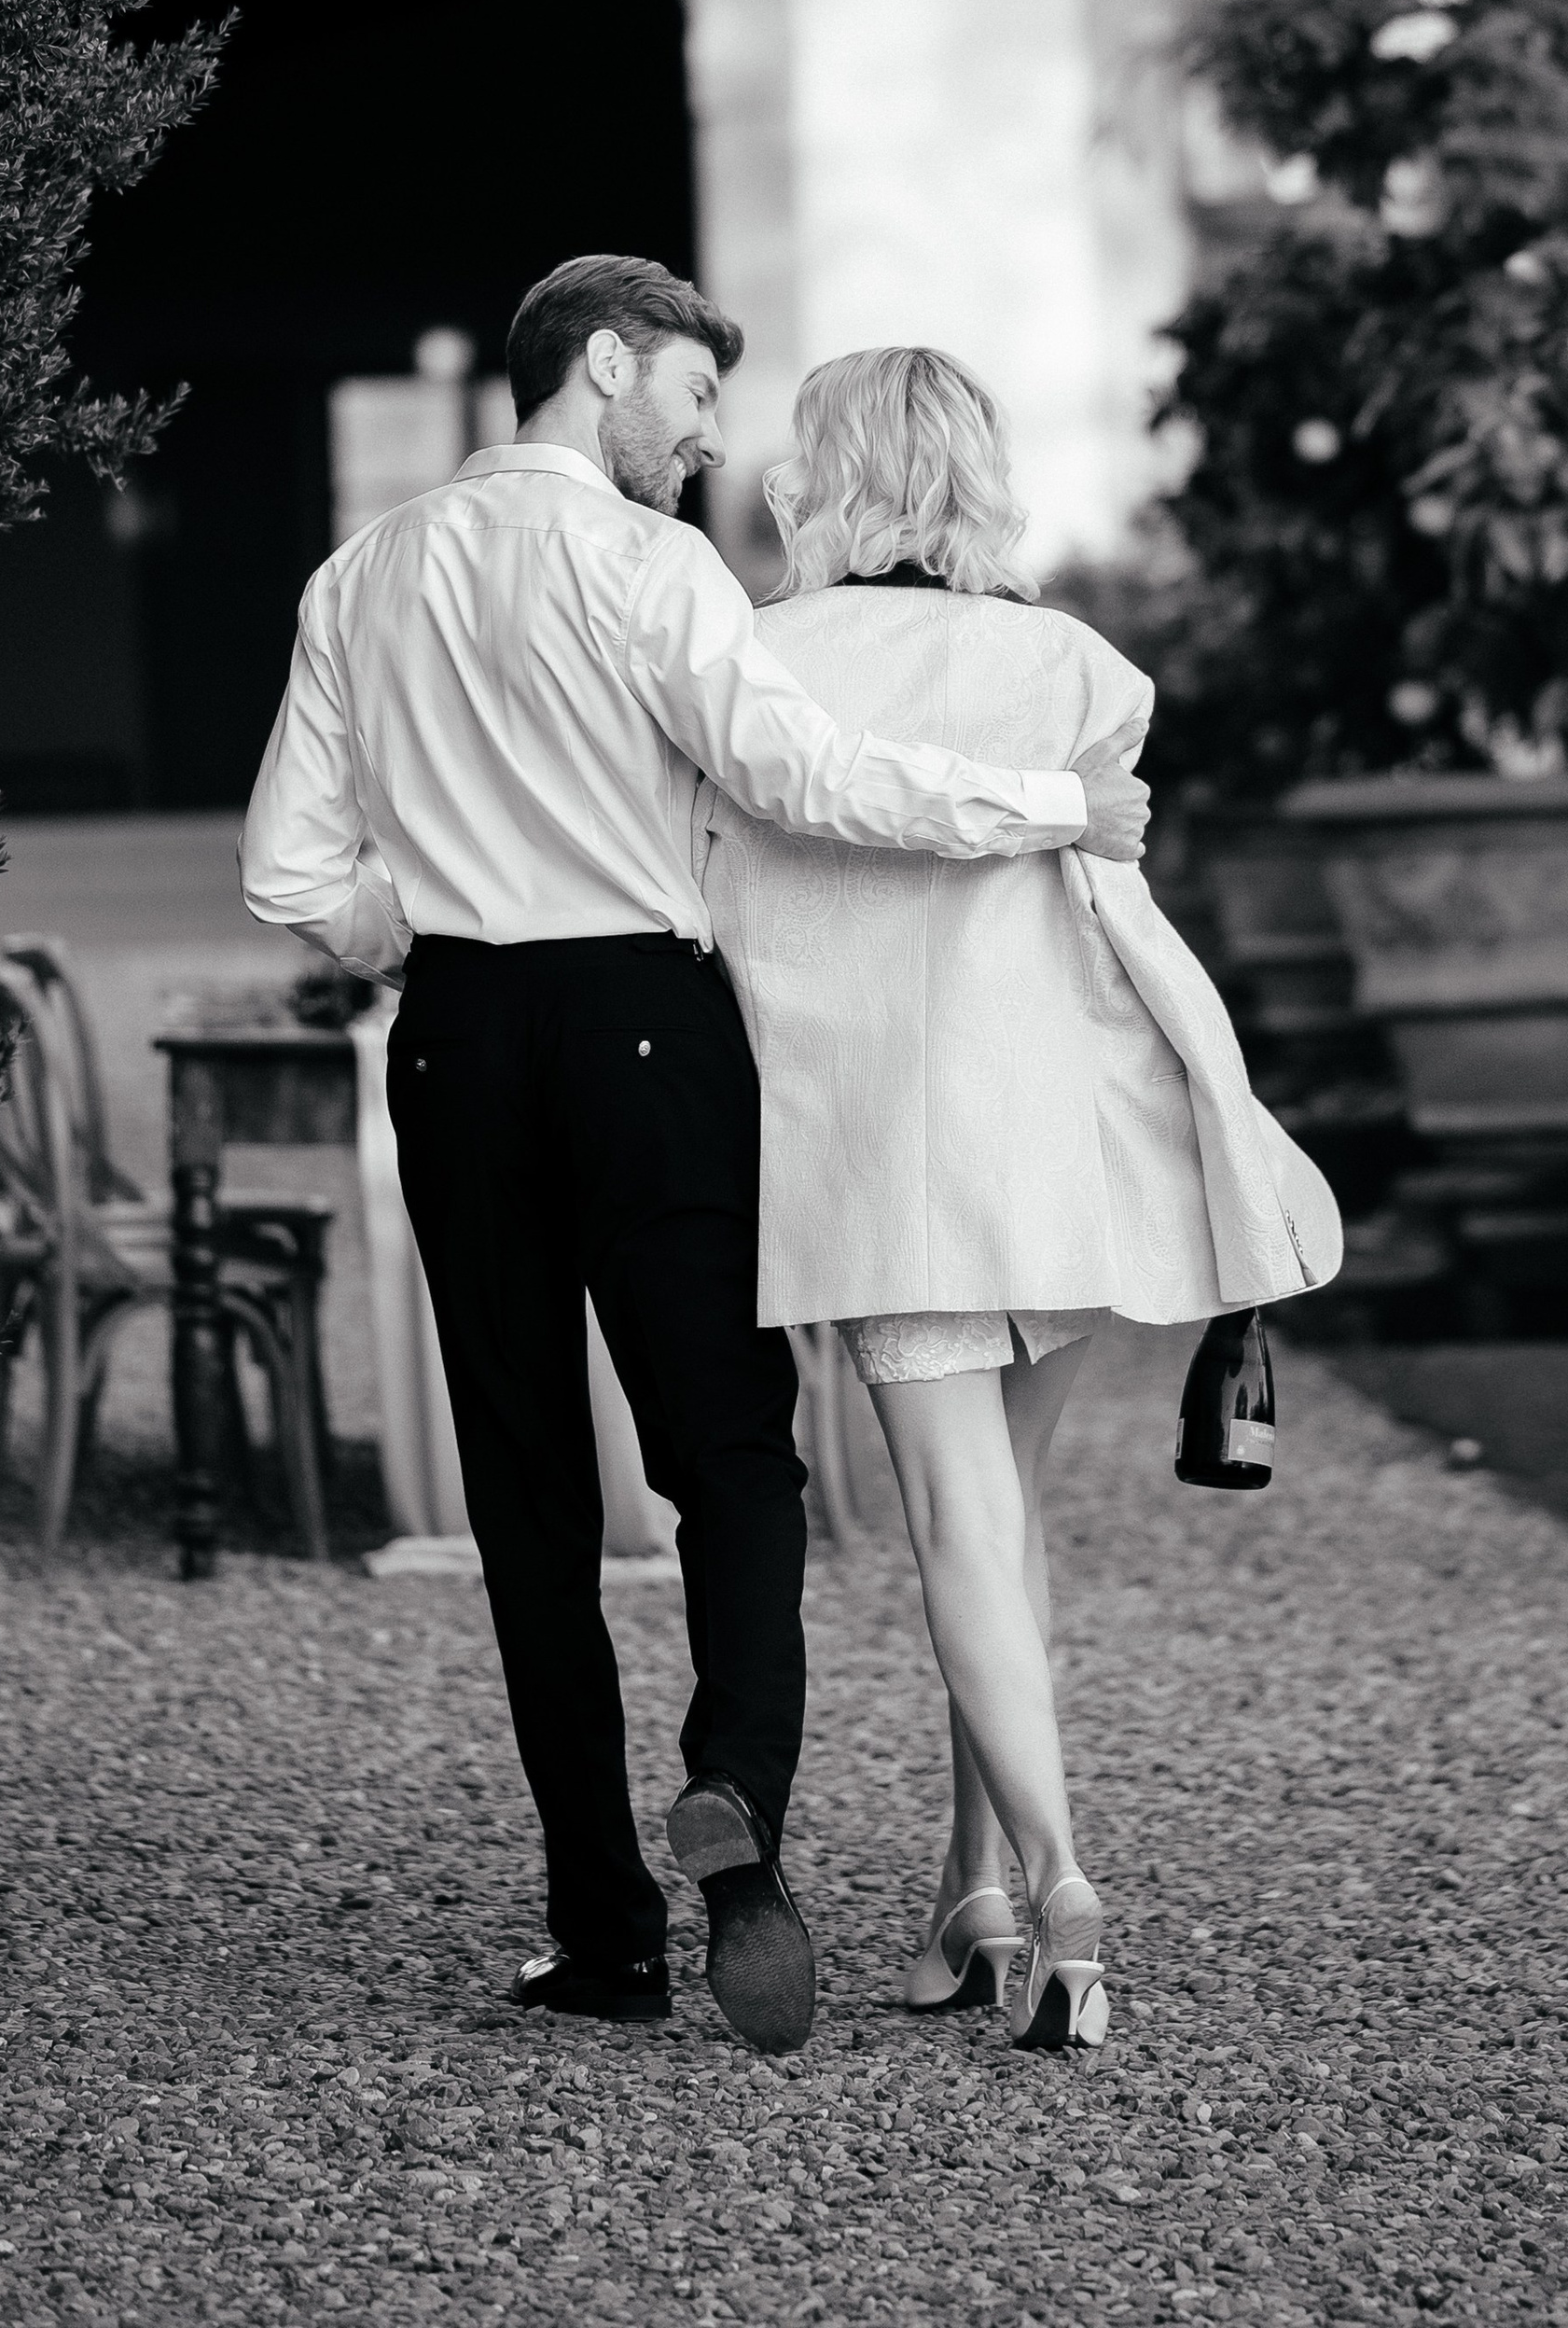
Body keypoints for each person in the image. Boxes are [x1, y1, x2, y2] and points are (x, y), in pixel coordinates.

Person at [240, 257, 1149, 2057]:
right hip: (651, 1036)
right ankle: (738, 1813)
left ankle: (604, 1931)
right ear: (602, 367)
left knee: (523, 1489)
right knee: (731, 1458)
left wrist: (419, 925)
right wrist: (1055, 808)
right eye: (695, 401)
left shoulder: (358, 576)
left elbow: (286, 875)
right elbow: (806, 779)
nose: (711, 445)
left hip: (459, 1037)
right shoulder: (654, 569)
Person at [701, 345, 1341, 2054]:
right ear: (979, 478)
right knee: (1010, 1532)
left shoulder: (751, 662)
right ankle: (965, 1897)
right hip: (1055, 1151)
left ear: (822, 475)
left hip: (876, 1164)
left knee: (963, 1532)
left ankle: (1062, 1891)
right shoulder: (1081, 674)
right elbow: (1121, 932)